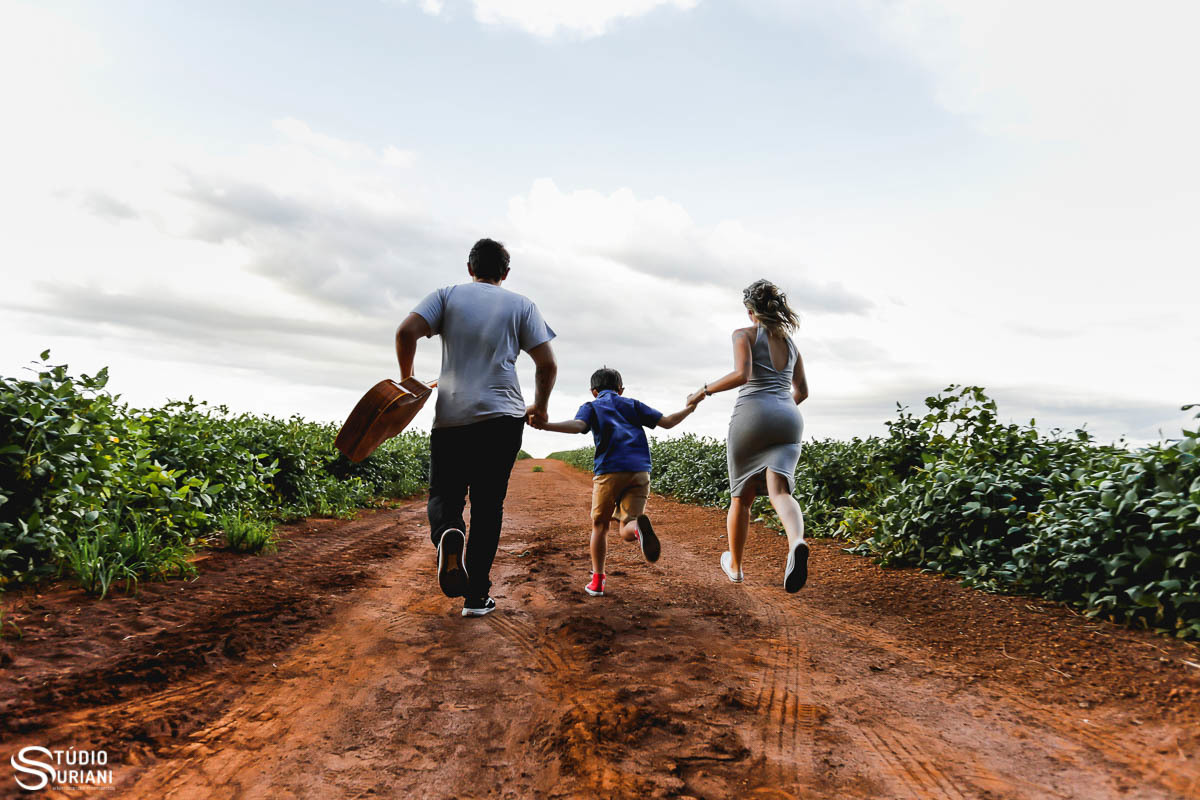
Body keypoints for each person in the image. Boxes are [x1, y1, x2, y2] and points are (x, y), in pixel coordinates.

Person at [395, 238, 557, 617]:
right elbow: (547, 364)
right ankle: (476, 596)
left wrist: (408, 382)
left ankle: (449, 532)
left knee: (444, 495)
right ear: (506, 273)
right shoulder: (522, 305)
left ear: (470, 268)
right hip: (503, 418)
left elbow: (405, 333)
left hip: (452, 416)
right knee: (488, 506)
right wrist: (541, 407)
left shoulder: (446, 296)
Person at [688, 279, 809, 593]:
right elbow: (802, 392)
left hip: (752, 415)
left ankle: (737, 567)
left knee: (741, 498)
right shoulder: (791, 345)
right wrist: (780, 410)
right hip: (789, 417)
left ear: (750, 311)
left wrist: (702, 391)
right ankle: (796, 542)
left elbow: (742, 374)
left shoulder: (743, 334)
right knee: (780, 492)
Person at [533, 367, 698, 597]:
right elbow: (668, 422)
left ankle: (597, 582)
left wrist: (546, 425)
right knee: (628, 523)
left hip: (609, 471)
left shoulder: (591, 407)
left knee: (600, 526)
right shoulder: (633, 405)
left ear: (593, 391)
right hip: (640, 471)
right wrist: (691, 406)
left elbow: (578, 426)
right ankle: (637, 529)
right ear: (620, 390)